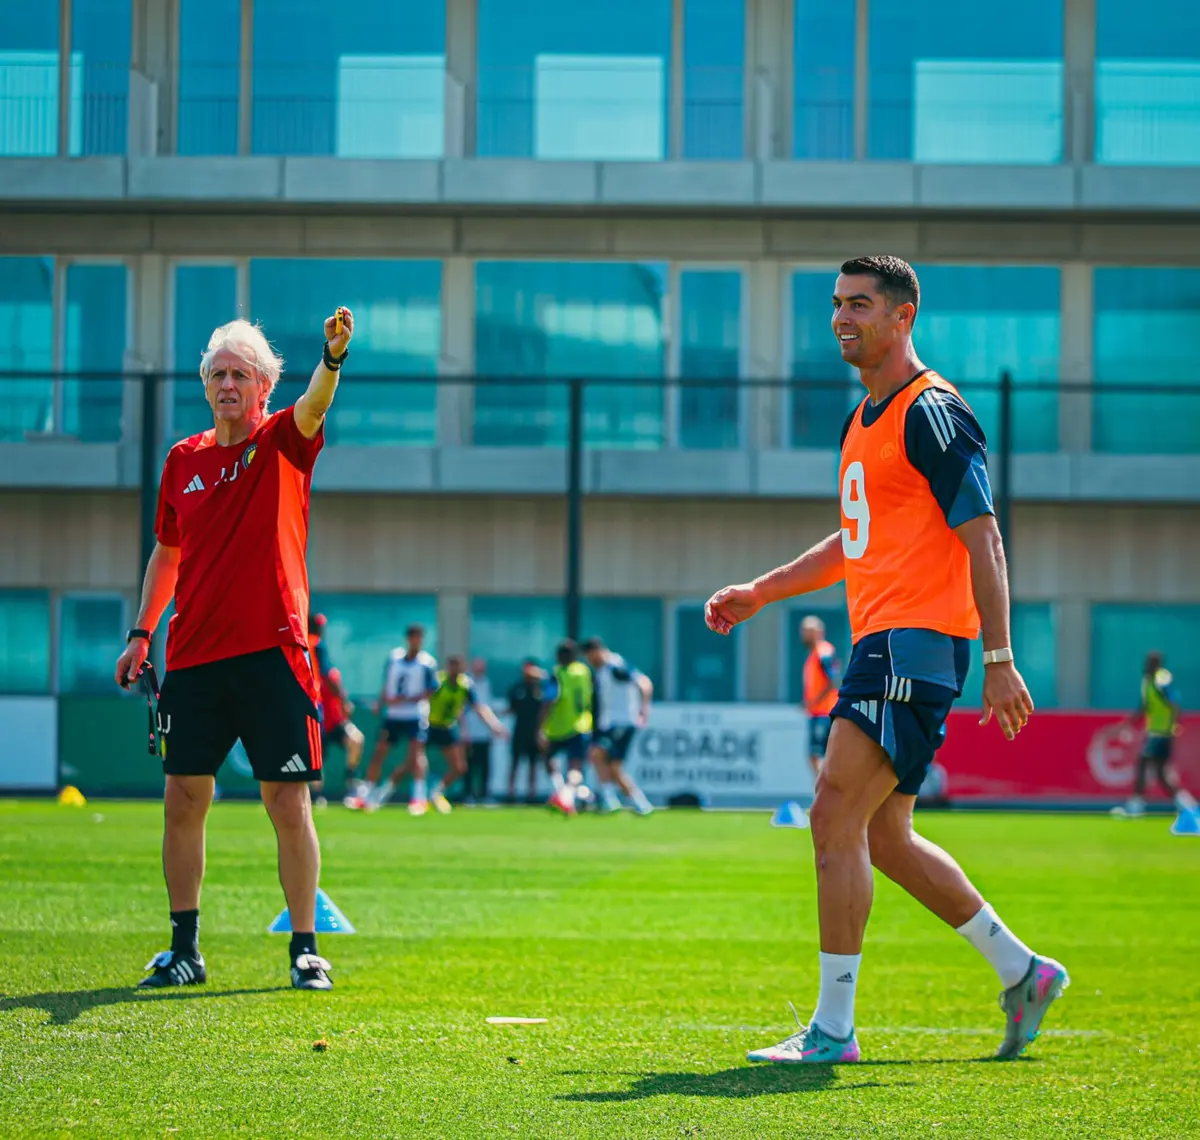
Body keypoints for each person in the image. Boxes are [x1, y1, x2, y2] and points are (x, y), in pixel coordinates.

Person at [705, 255, 1067, 1065]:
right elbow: (857, 540)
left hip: (913, 642)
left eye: (860, 305)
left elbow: (986, 536)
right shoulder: (865, 418)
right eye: (836, 304)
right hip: (889, 642)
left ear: (904, 316)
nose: (842, 318)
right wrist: (762, 590)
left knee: (833, 813)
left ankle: (834, 1031)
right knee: (887, 837)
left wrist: (1001, 658)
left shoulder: (932, 411)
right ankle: (1023, 972)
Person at [114, 309, 354, 992]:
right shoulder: (181, 461)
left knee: (287, 800)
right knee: (183, 798)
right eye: (218, 373)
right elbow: (168, 552)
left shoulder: (283, 439)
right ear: (206, 383)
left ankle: (305, 948)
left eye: (240, 374)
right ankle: (184, 949)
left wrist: (331, 358)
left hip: (274, 653)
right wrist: (141, 633)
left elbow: (314, 406)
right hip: (192, 656)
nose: (227, 383)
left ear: (263, 386)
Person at [348, 624, 437, 815]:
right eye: (413, 637)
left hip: (414, 715)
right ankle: (367, 795)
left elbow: (432, 689)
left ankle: (419, 798)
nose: (416, 641)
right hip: (394, 715)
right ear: (408, 639)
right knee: (379, 753)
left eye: (419, 638)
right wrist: (381, 702)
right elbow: (387, 683)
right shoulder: (394, 658)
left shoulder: (427, 663)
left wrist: (409, 699)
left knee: (415, 755)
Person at [1113, 651, 1197, 818]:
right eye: (1148, 662)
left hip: (1162, 732)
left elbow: (1173, 702)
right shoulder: (1147, 682)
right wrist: (1129, 723)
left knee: (1143, 764)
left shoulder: (1161, 678)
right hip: (1154, 732)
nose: (1148, 665)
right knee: (1160, 773)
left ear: (1158, 664)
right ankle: (1188, 806)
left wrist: (1174, 725)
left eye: (1153, 662)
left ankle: (1135, 806)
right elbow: (1144, 707)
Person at [424, 655, 509, 813]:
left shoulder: (466, 685)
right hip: (428, 725)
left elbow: (479, 708)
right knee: (415, 762)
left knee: (459, 767)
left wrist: (495, 726)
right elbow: (424, 699)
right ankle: (413, 795)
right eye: (452, 666)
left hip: (446, 727)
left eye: (458, 666)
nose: (455, 670)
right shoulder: (438, 682)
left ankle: (435, 793)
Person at [582, 636, 654, 815]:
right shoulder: (603, 670)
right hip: (610, 724)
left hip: (621, 722)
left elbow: (643, 682)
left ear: (596, 651)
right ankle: (639, 803)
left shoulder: (616, 667)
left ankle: (609, 799)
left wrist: (644, 708)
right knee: (613, 767)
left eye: (590, 657)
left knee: (597, 754)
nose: (589, 661)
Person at [307, 612, 365, 809]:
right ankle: (318, 795)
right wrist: (344, 699)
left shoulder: (307, 646)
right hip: (320, 712)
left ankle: (349, 781)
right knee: (317, 757)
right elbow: (329, 676)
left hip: (330, 715)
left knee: (355, 739)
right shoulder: (315, 645)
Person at [539, 639, 594, 814]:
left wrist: (540, 727)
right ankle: (567, 795)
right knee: (575, 766)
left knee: (549, 759)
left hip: (559, 726)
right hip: (582, 723)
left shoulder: (558, 674)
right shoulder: (583, 671)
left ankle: (563, 795)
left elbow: (550, 700)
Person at [800, 615, 841, 784]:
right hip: (818, 712)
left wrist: (814, 701)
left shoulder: (823, 652)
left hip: (824, 712)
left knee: (817, 755)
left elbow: (833, 680)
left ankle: (826, 794)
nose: (804, 635)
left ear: (819, 632)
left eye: (808, 631)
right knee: (820, 756)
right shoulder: (814, 654)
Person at [506, 658, 548, 803]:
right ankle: (510, 793)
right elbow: (511, 708)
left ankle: (531, 793)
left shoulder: (541, 689)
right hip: (520, 729)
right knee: (515, 762)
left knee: (533, 763)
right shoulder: (517, 688)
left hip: (535, 730)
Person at [462, 657, 496, 804]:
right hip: (471, 731)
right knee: (468, 766)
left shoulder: (487, 683)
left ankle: (484, 795)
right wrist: (464, 731)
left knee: (485, 766)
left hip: (484, 733)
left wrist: (493, 727)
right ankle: (468, 795)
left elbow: (486, 707)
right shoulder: (466, 684)